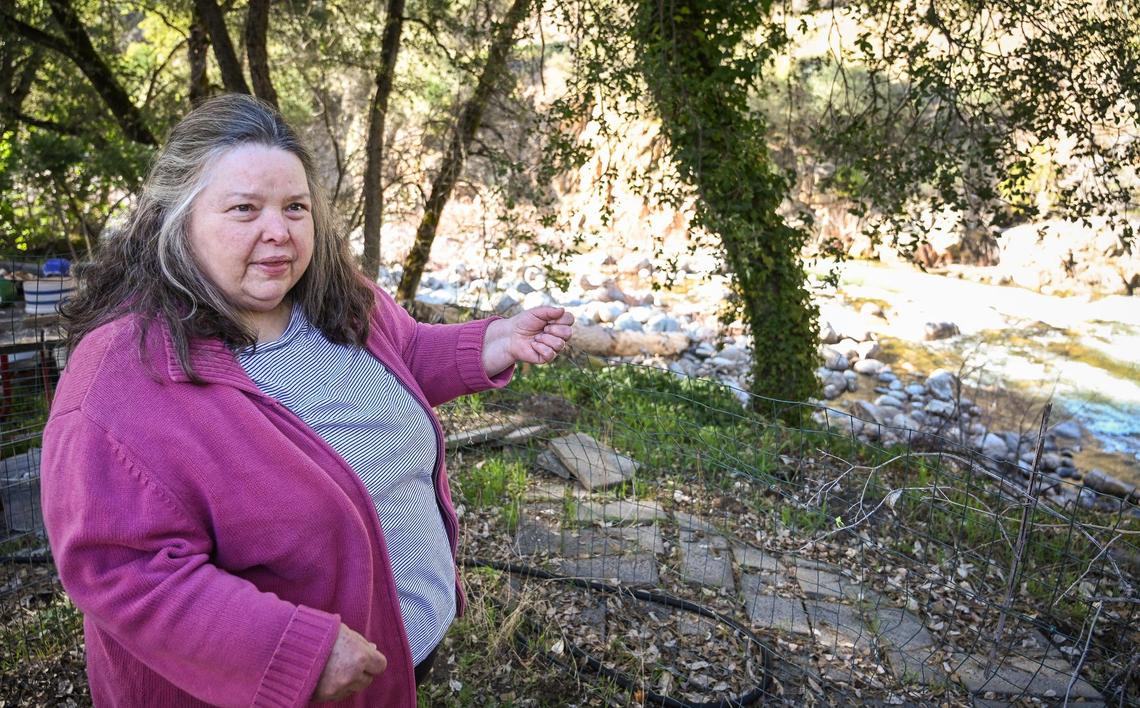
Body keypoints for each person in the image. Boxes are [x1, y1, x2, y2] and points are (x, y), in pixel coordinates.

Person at [40, 93, 574, 707]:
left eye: (295, 207)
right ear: (176, 219)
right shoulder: (122, 374)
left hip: (399, 652)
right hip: (281, 689)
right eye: (245, 209)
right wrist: (290, 651)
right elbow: (124, 571)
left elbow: (404, 359)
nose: (280, 231)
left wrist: (493, 340)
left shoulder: (340, 300)